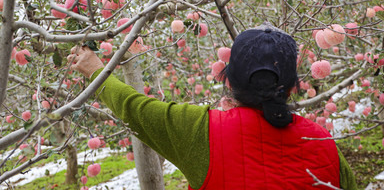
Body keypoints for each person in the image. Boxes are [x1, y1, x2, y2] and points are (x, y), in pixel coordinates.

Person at [67, 24, 357, 189]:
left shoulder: (201, 130)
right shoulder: (323, 142)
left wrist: (96, 71)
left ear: (229, 81)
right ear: (294, 86)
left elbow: (134, 108)